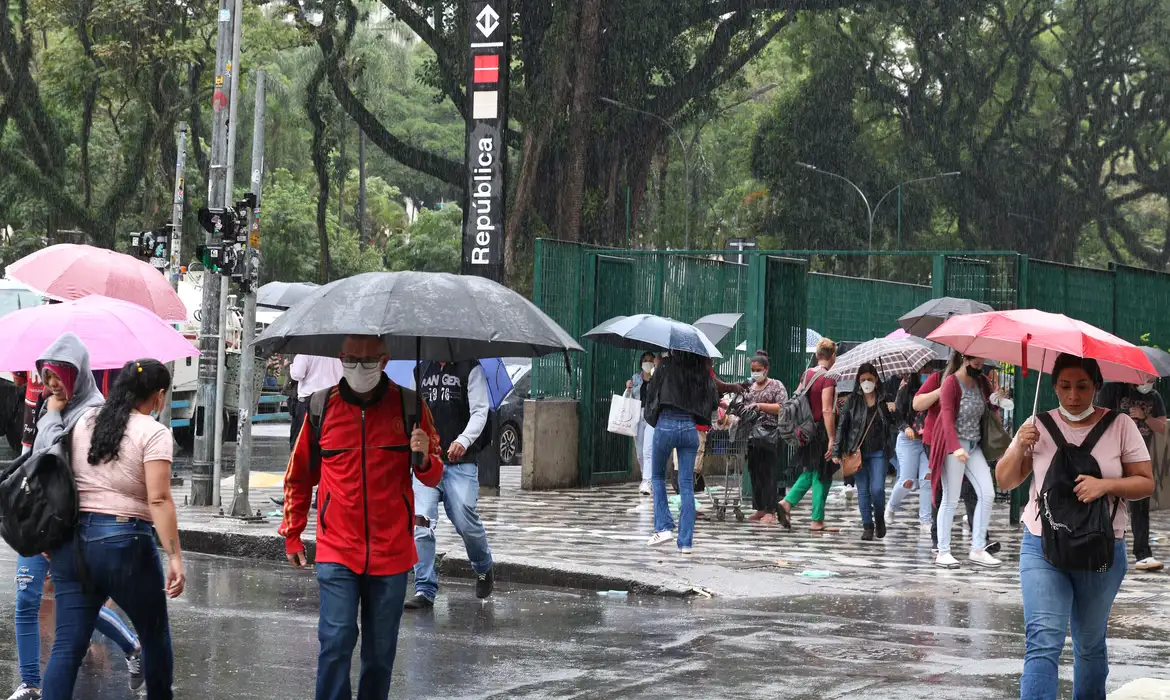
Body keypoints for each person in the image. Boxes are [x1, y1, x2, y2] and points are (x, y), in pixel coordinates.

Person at [280, 335, 442, 700]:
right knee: (336, 640)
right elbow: (299, 475)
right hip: (337, 547)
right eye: (352, 360)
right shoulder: (322, 406)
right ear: (340, 359)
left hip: (392, 552)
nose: (359, 367)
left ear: (384, 361)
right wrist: (292, 533)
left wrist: (424, 455)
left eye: (368, 360)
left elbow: (433, 475)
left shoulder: (411, 406)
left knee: (380, 654)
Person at [996, 354, 1153, 700]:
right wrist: (1019, 445)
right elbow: (1006, 480)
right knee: (1042, 640)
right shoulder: (1036, 425)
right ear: (1053, 387)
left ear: (1096, 386)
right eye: (1065, 386)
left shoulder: (1121, 425)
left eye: (1082, 386)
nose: (1073, 396)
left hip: (1100, 548)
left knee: (1089, 643)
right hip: (1042, 546)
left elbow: (1145, 483)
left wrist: (1105, 485)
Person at [7, 334, 144, 700]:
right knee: (26, 598)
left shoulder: (93, 413)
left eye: (60, 375)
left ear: (79, 373)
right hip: (39, 518)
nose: (52, 384)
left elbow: (56, 459)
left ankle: (133, 647)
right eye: (48, 375)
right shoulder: (47, 406)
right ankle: (30, 683)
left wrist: (51, 417)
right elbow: (37, 458)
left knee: (76, 603)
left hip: (72, 523)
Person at [41, 358, 186, 700]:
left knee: (67, 646)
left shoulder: (83, 421)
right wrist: (175, 557)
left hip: (72, 544)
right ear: (159, 396)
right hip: (124, 543)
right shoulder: (154, 432)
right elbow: (160, 499)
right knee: (153, 635)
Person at [405, 359, 496, 609]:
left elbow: (480, 411)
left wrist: (464, 440)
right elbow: (412, 414)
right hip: (427, 463)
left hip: (461, 464)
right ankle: (424, 587)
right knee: (421, 523)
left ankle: (482, 567)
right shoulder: (420, 370)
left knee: (466, 522)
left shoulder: (471, 369)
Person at [915, 352, 999, 555]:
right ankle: (940, 545)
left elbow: (990, 407)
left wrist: (997, 400)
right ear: (963, 359)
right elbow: (919, 405)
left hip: (971, 442)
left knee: (980, 493)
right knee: (945, 494)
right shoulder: (943, 379)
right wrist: (940, 391)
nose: (979, 368)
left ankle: (979, 544)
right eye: (976, 363)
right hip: (942, 441)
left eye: (982, 364)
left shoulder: (981, 382)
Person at [644, 351, 717, 553]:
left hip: (666, 423)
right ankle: (686, 543)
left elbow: (651, 396)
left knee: (657, 477)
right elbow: (713, 401)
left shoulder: (665, 366)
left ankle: (663, 527)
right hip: (689, 428)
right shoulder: (700, 369)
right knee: (686, 485)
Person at [1096, 378, 1166, 571]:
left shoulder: (1154, 397)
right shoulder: (1114, 390)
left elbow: (1162, 427)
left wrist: (1144, 417)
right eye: (1147, 376)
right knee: (1107, 502)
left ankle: (1143, 553)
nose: (1149, 381)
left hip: (1140, 457)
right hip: (1113, 453)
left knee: (1140, 505)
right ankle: (1101, 548)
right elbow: (1099, 418)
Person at [779, 339, 838, 531]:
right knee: (823, 473)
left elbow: (798, 398)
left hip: (805, 431)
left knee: (811, 470)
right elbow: (827, 409)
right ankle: (817, 520)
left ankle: (786, 504)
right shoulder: (828, 377)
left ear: (816, 355)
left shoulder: (807, 375)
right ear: (833, 356)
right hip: (820, 431)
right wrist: (831, 438)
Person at [832, 363, 894, 541]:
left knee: (877, 489)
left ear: (876, 380)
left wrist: (893, 410)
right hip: (855, 452)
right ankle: (868, 525)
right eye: (863, 379)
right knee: (863, 491)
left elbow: (893, 422)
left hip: (878, 452)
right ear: (858, 381)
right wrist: (837, 451)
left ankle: (879, 517)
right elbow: (842, 426)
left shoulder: (884, 399)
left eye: (870, 379)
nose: (866, 382)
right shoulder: (852, 401)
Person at [741, 352, 788, 525]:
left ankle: (770, 509)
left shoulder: (776, 386)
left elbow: (783, 407)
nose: (755, 373)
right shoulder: (749, 388)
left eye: (758, 370)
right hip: (752, 434)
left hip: (770, 433)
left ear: (766, 369)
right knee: (755, 471)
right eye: (752, 370)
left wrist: (760, 406)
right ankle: (760, 507)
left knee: (768, 472)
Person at [886, 371, 933, 532]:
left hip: (927, 441)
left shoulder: (935, 389)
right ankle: (891, 506)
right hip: (908, 440)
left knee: (927, 479)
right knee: (907, 481)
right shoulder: (905, 388)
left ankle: (925, 521)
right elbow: (897, 415)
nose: (927, 373)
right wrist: (905, 427)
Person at [288, 354, 344, 449]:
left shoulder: (306, 350)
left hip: (308, 400)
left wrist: (291, 366)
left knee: (303, 442)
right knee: (329, 440)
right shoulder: (338, 350)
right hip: (332, 398)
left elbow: (297, 374)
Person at [627, 352, 658, 495]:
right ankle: (644, 478)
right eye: (645, 360)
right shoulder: (635, 378)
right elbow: (630, 397)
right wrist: (628, 388)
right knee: (639, 452)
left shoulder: (658, 379)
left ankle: (647, 480)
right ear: (641, 363)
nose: (648, 363)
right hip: (637, 416)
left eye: (651, 360)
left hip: (651, 416)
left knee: (648, 450)